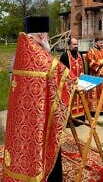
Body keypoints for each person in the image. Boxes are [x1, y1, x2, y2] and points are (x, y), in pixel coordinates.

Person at [3, 16, 77, 182]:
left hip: (20, 114)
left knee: (23, 147)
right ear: (42, 36)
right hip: (40, 114)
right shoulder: (43, 58)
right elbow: (66, 77)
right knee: (44, 144)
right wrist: (47, 51)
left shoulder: (19, 54)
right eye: (46, 35)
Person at [60, 37, 85, 121]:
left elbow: (83, 69)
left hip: (79, 83)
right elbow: (61, 71)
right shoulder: (64, 56)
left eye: (77, 44)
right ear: (69, 45)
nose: (76, 46)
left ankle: (80, 118)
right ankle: (69, 121)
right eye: (74, 44)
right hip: (69, 85)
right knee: (70, 102)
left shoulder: (80, 55)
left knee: (80, 100)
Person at [85, 37, 103, 114]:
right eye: (100, 43)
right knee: (94, 93)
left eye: (102, 42)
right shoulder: (91, 51)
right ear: (96, 42)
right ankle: (93, 110)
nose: (102, 44)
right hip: (94, 76)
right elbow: (91, 63)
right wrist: (100, 62)